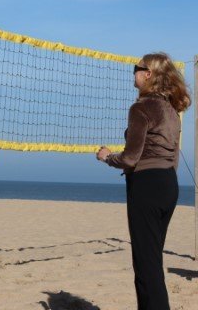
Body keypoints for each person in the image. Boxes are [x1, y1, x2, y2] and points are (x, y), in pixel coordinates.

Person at [96, 53, 190, 310]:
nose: (133, 72)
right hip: (168, 184)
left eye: (136, 68)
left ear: (147, 74)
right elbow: (172, 158)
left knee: (146, 266)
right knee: (151, 260)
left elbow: (130, 158)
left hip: (147, 185)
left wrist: (106, 157)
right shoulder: (172, 109)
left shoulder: (141, 107)